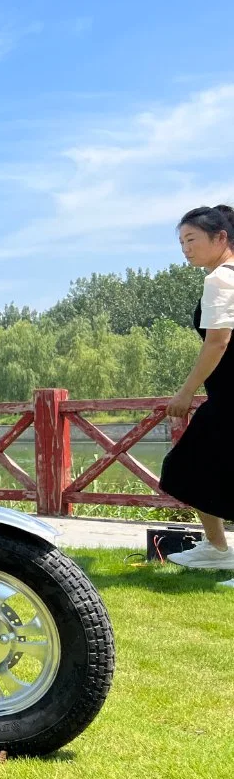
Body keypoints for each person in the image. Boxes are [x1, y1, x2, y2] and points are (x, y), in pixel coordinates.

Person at [160, 205, 234, 586]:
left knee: (186, 465)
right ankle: (218, 549)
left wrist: (185, 393)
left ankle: (219, 548)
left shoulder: (220, 279)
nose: (185, 248)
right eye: (182, 242)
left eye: (192, 239)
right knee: (195, 464)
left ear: (221, 238)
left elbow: (218, 342)